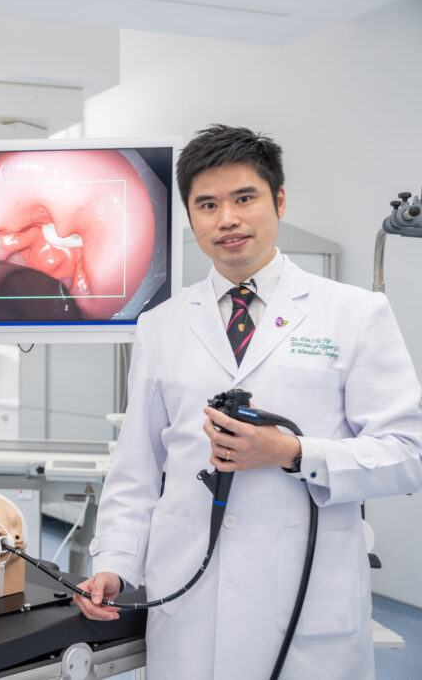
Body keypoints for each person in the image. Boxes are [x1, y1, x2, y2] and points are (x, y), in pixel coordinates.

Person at [75, 125, 422, 679]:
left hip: (306, 605)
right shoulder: (160, 326)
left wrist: (292, 452)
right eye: (207, 204)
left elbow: (408, 453)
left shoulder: (355, 314)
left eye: (244, 198)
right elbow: (136, 467)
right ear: (190, 217)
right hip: (191, 597)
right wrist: (114, 563)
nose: (227, 219)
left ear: (278, 201)